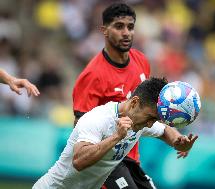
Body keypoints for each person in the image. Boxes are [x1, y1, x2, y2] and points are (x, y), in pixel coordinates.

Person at [72, 3, 196, 188]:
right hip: (106, 162)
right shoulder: (92, 76)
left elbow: (150, 114)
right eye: (119, 26)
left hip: (131, 158)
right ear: (104, 30)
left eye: (130, 27)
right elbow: (80, 131)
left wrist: (176, 139)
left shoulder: (141, 61)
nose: (126, 32)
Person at [33, 77, 198, 189]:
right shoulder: (98, 118)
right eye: (151, 118)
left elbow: (165, 131)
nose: (151, 124)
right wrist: (117, 137)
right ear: (134, 102)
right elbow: (79, 160)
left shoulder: (141, 120)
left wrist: (179, 141)